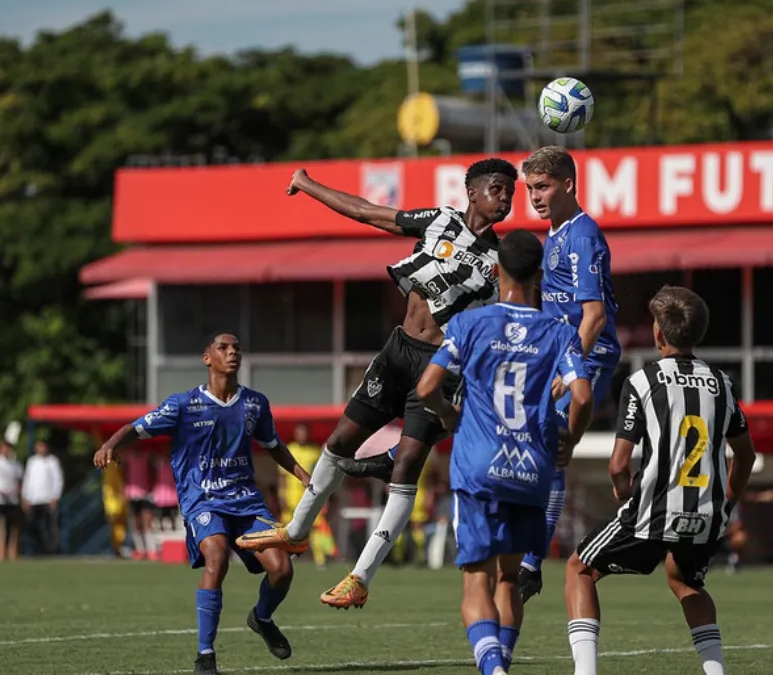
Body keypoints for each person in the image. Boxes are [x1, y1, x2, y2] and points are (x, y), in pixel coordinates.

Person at [237, 159, 518, 609]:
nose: (506, 198)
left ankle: (360, 577)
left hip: (441, 368)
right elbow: (368, 212)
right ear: (472, 191)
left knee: (406, 465)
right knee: (341, 440)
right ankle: (295, 532)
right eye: (498, 188)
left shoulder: (503, 262)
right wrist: (307, 185)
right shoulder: (440, 221)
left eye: (512, 193)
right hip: (398, 351)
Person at [416, 229, 593, 675]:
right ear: (541, 276)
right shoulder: (558, 332)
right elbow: (584, 397)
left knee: (477, 576)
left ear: (496, 271)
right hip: (531, 469)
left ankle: (493, 670)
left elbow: (426, 388)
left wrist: (449, 416)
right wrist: (567, 440)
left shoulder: (469, 324)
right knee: (511, 578)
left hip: (478, 466)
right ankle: (503, 665)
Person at [564, 286, 756, 675]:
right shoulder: (722, 383)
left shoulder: (642, 381)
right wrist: (726, 503)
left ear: (658, 334)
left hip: (652, 511)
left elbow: (619, 464)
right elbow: (745, 455)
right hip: (706, 514)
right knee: (686, 582)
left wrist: (624, 494)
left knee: (579, 569)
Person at [93, 332, 311, 675]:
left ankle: (262, 618)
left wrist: (302, 474)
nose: (232, 352)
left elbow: (272, 444)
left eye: (236, 348)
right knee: (217, 555)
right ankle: (205, 655)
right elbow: (136, 427)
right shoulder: (183, 404)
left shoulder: (255, 403)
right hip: (202, 498)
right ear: (207, 358)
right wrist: (110, 444)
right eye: (223, 348)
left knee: (282, 569)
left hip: (247, 503)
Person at [516, 145, 621, 603]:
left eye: (543, 187)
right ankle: (524, 553)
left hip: (589, 357)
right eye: (530, 189)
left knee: (554, 444)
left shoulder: (582, 236)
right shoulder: (555, 234)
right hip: (560, 357)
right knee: (532, 442)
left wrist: (568, 365)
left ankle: (530, 562)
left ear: (568, 185)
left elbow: (594, 317)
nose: (535, 197)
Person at [278, 423, 336, 567]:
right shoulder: (289, 449)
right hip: (291, 496)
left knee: (318, 527)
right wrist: (281, 495)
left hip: (311, 496)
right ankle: (286, 557)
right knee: (287, 528)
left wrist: (325, 497)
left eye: (304, 432)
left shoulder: (315, 451)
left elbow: (323, 476)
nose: (301, 435)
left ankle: (321, 559)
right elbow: (282, 476)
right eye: (299, 432)